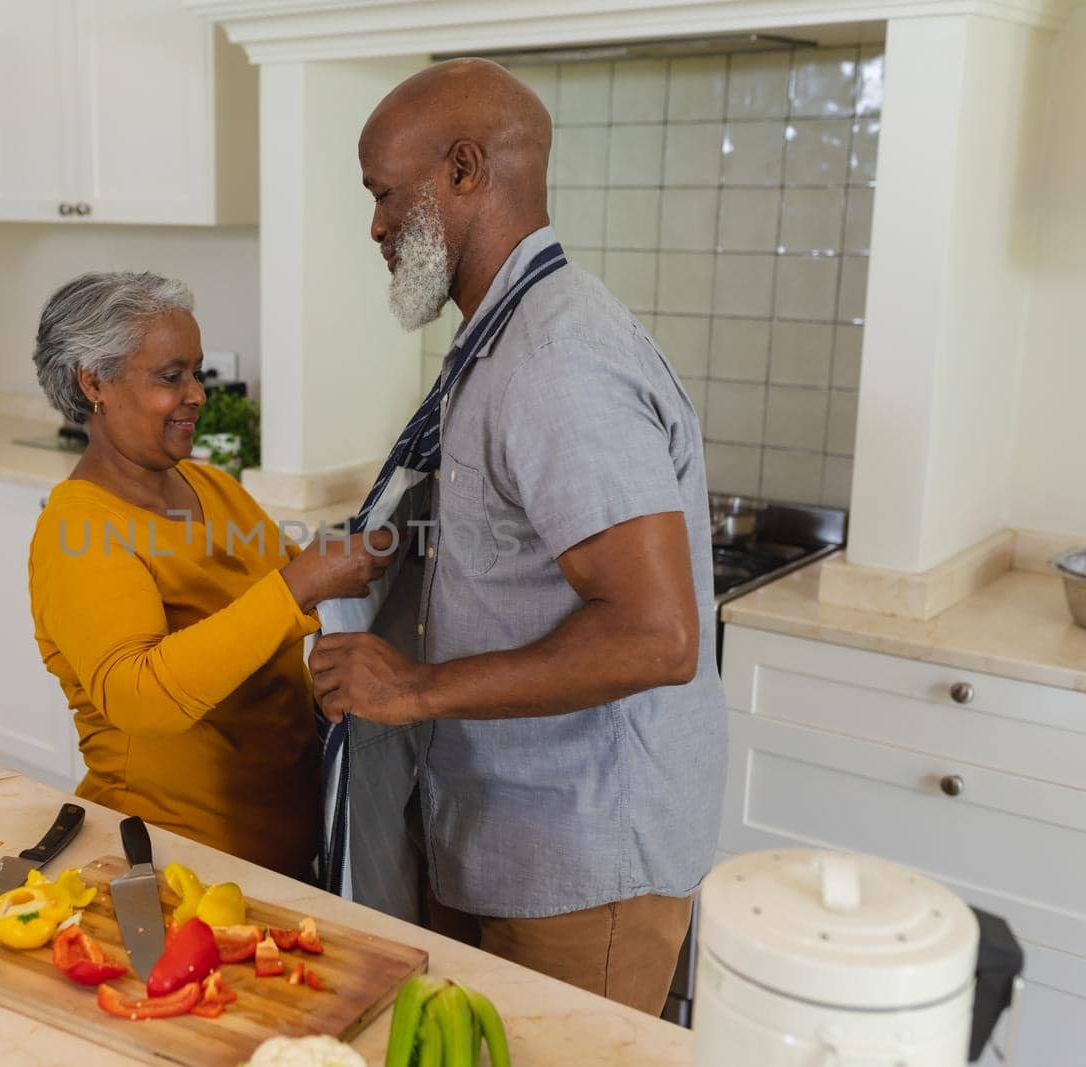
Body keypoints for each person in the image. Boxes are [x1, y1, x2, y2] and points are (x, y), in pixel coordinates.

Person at [308, 59, 727, 1015]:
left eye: (383, 195)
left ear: (464, 170)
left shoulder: (553, 359)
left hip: (584, 861)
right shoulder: (504, 337)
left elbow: (655, 634)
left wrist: (412, 686)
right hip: (507, 832)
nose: (374, 226)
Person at [28, 271, 392, 878]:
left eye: (196, 372)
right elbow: (140, 696)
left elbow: (284, 613)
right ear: (94, 383)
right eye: (171, 378)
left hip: (284, 852)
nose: (196, 393)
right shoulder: (77, 530)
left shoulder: (212, 486)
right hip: (169, 865)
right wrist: (300, 584)